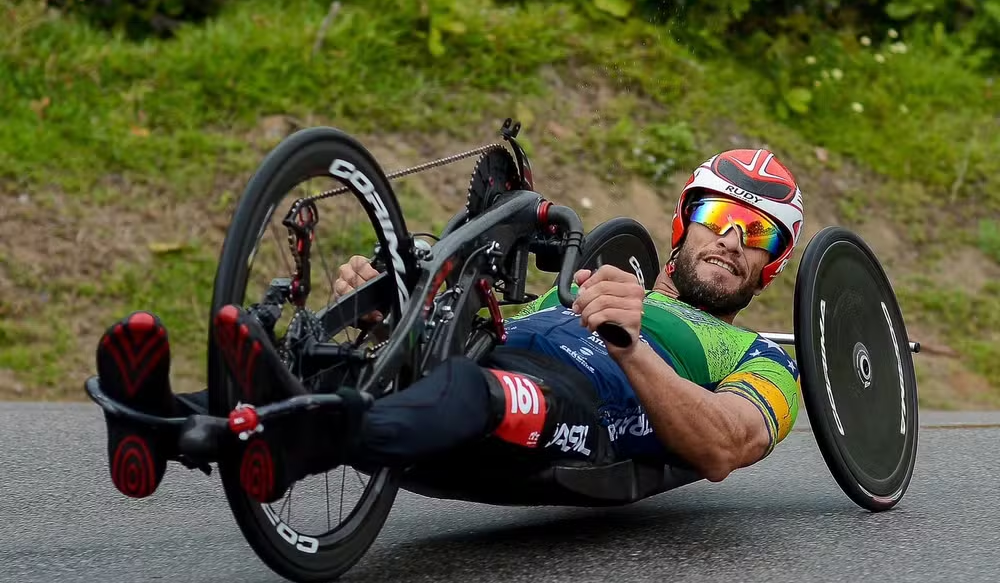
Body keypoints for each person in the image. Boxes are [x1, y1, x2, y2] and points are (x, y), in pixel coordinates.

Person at [95, 148, 804, 505]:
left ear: (771, 268)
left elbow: (723, 445)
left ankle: (300, 436)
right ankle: (156, 420)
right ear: (683, 223)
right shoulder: (582, 284)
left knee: (477, 388)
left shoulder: (761, 357)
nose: (733, 240)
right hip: (484, 358)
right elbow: (475, 313)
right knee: (351, 366)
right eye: (718, 217)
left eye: (759, 235)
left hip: (580, 414)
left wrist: (632, 343)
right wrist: (392, 297)